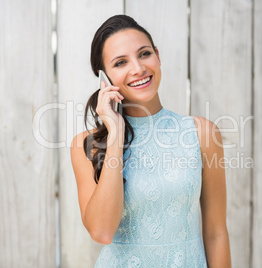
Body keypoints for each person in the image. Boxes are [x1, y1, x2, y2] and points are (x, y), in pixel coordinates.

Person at [70, 14, 231, 267]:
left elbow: (216, 232)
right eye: (121, 62)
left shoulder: (201, 133)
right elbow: (101, 232)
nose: (138, 68)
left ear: (157, 55)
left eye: (144, 54)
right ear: (104, 78)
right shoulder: (87, 145)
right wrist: (114, 134)